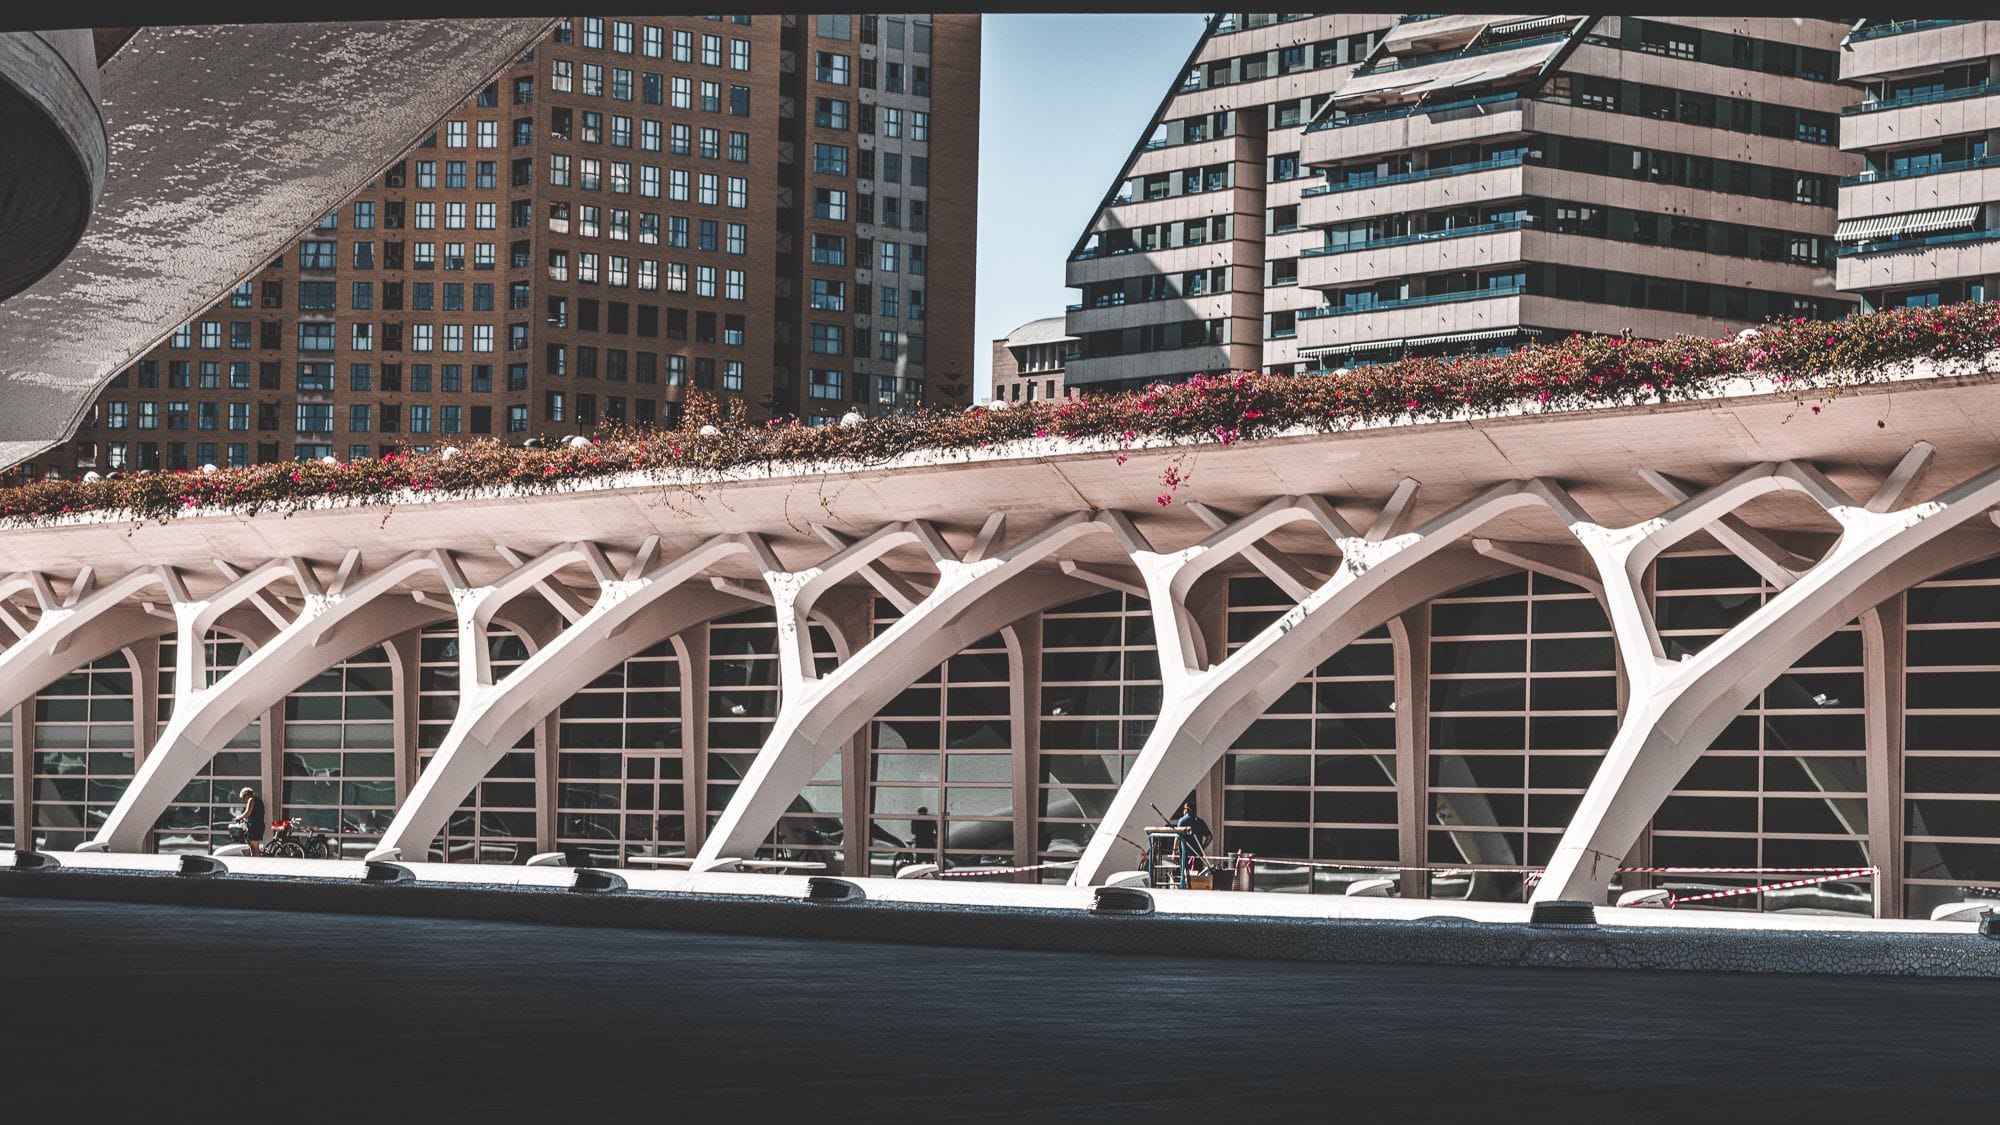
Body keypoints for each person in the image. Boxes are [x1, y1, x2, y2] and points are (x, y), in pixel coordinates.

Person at [1175, 801, 1212, 875]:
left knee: (1185, 877)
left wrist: (1174, 851)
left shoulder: (1182, 820)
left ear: (1187, 809)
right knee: (1197, 877)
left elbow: (1177, 837)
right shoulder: (1200, 822)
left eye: (1184, 809)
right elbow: (1209, 837)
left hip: (1186, 856)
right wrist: (1201, 848)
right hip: (1198, 856)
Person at [237, 787, 266, 856]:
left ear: (247, 795)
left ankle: (257, 861)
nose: (244, 800)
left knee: (254, 846)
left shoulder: (251, 799)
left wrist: (239, 817)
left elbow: (248, 812)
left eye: (244, 797)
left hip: (255, 825)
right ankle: (253, 860)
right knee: (253, 846)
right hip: (258, 824)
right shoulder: (258, 800)